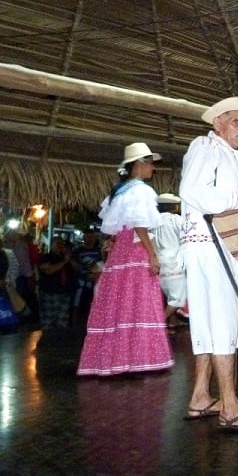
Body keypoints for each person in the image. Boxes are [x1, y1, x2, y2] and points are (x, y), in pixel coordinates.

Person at [179, 96, 238, 430]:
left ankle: (201, 397)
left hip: (216, 244)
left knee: (211, 320)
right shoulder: (206, 147)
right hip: (212, 245)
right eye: (236, 121)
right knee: (223, 319)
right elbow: (192, 190)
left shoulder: (227, 156)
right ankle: (231, 406)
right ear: (218, 122)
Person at [77, 143, 174, 376]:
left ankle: (116, 360)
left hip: (120, 252)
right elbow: (139, 224)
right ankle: (137, 359)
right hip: (135, 250)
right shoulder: (140, 190)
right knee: (139, 299)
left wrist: (111, 242)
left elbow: (114, 226)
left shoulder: (119, 191)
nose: (152, 168)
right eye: (150, 163)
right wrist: (152, 253)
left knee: (119, 302)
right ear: (139, 164)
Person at [154, 193, 187, 330]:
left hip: (160, 261)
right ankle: (159, 323)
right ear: (172, 206)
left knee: (169, 296)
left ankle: (173, 322)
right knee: (178, 299)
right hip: (175, 261)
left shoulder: (153, 221)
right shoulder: (176, 220)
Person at [37, 237, 75, 330]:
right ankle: (47, 341)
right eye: (58, 243)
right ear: (52, 244)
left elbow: (77, 268)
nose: (60, 246)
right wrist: (64, 261)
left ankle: (60, 341)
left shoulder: (67, 258)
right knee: (48, 321)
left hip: (64, 292)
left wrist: (68, 258)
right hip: (49, 293)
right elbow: (49, 270)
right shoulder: (46, 257)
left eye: (62, 244)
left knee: (62, 321)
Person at [70, 228, 102, 328]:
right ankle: (74, 326)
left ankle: (93, 325)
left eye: (92, 236)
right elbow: (74, 267)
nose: (90, 238)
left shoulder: (99, 251)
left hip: (95, 282)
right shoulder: (77, 251)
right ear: (84, 237)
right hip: (81, 282)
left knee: (94, 304)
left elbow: (102, 265)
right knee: (76, 304)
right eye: (88, 236)